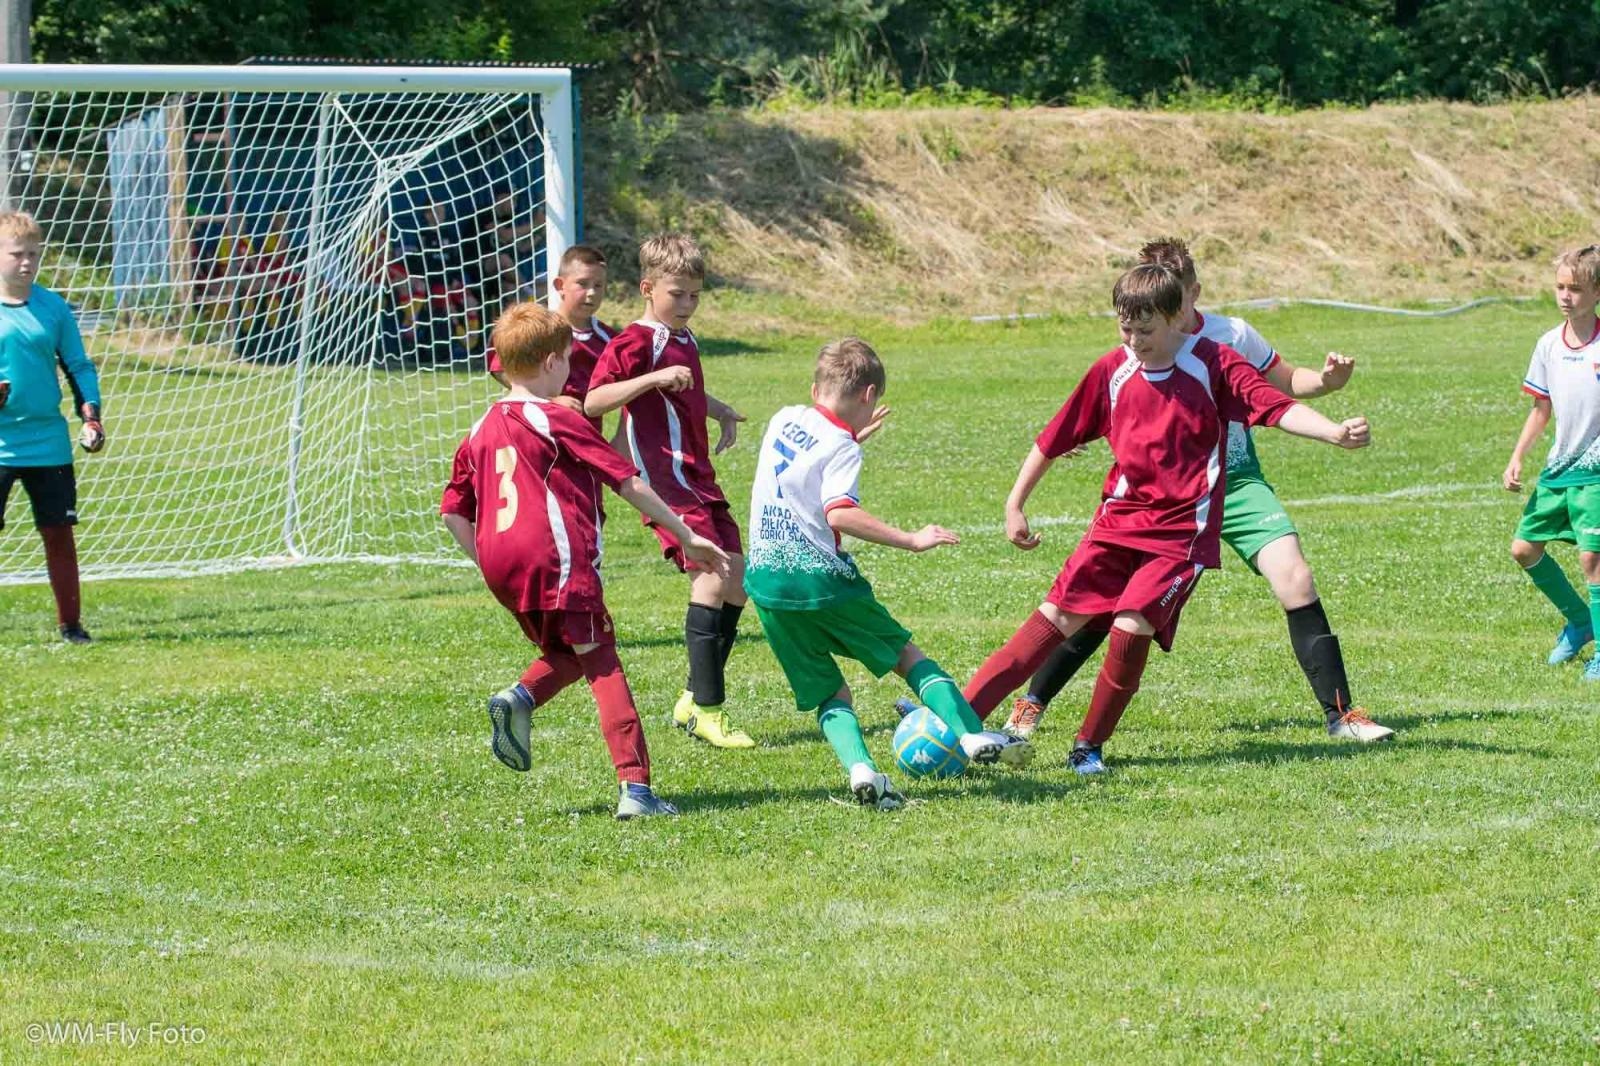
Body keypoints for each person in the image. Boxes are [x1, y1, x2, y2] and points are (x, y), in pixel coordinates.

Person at [962, 264, 1371, 774]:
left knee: (1131, 625)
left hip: (1181, 534)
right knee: (1054, 619)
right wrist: (1014, 503)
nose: (1134, 341)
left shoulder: (1215, 363)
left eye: (1146, 329)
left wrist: (1333, 432)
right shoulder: (1112, 369)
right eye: (1125, 328)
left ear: (1179, 316)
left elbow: (1273, 405)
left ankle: (1088, 747)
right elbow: (1053, 438)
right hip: (1116, 523)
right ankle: (955, 721)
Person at [440, 301, 729, 819]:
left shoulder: (481, 427)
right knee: (602, 661)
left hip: (501, 567)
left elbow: (452, 511)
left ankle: (521, 698)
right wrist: (685, 534)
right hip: (555, 558)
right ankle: (636, 790)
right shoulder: (554, 419)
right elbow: (627, 480)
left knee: (571, 650)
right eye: (571, 360)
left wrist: (487, 561)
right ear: (552, 362)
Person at [746, 338, 1032, 807]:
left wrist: (849, 438)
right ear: (869, 394)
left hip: (767, 585)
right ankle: (972, 736)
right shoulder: (841, 448)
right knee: (905, 656)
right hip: (821, 582)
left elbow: (802, 465)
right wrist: (911, 538)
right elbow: (838, 513)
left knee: (829, 691)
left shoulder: (785, 417)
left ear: (815, 386)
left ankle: (862, 771)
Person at [585, 233, 755, 749]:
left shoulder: (684, 339)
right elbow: (594, 400)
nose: (686, 304)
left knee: (739, 581)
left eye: (695, 296)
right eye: (677, 294)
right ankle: (708, 708)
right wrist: (652, 377)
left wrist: (718, 407)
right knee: (710, 575)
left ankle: (690, 698)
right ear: (647, 288)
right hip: (663, 478)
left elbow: (685, 391)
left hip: (697, 475)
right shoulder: (635, 343)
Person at [0, 210, 105, 644]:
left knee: (59, 534)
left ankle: (71, 625)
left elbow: (78, 365)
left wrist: (92, 415)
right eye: (16, 254)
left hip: (48, 443)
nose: (26, 263)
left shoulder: (53, 307)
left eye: (33, 255)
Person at [1504, 244, 1600, 681]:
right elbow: (1540, 408)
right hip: (1560, 469)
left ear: (1596, 292)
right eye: (1560, 287)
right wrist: (1518, 457)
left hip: (1596, 472)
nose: (1565, 296)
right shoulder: (1547, 344)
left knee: (1591, 560)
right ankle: (1580, 623)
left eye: (1576, 288)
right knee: (1524, 548)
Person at [489, 244, 613, 424]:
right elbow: (501, 369)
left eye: (598, 285)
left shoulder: (609, 340)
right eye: (583, 284)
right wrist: (549, 400)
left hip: (585, 435)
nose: (592, 293)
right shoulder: (537, 328)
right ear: (560, 285)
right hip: (536, 426)